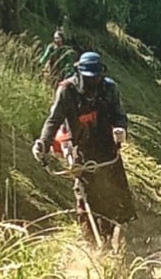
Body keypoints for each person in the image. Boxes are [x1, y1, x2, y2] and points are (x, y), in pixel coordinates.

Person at [32, 51, 137, 247]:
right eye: (88, 78)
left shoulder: (109, 89)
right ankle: (92, 243)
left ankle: (117, 236)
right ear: (78, 73)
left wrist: (121, 129)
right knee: (85, 198)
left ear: (101, 75)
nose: (91, 84)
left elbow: (119, 115)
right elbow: (53, 120)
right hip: (81, 150)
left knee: (116, 194)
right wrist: (43, 143)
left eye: (95, 78)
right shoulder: (66, 91)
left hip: (107, 150)